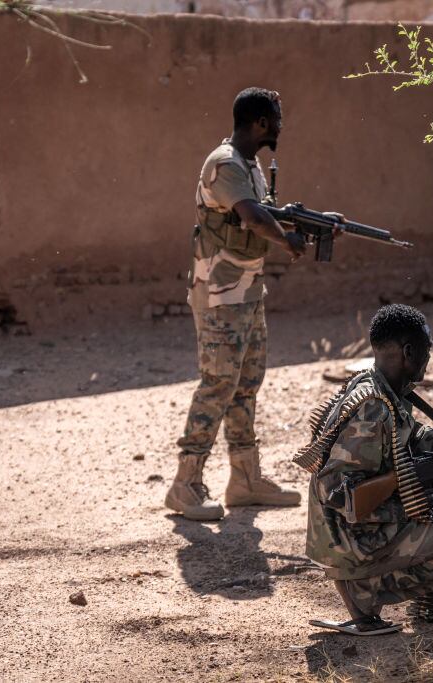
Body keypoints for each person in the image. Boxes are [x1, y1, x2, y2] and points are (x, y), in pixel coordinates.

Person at [303, 304, 433, 635]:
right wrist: (403, 484)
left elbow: (414, 442)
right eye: (427, 350)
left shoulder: (383, 391)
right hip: (353, 543)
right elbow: (336, 492)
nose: (428, 359)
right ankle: (364, 592)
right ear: (409, 352)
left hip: (355, 535)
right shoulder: (372, 409)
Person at [165, 87, 308, 522]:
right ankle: (184, 485)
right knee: (218, 385)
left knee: (246, 384)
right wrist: (287, 240)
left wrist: (315, 223)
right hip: (220, 294)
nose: (281, 126)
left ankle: (244, 480)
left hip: (246, 292)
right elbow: (252, 217)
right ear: (261, 123)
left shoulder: (250, 165)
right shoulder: (224, 164)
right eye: (277, 118)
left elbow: (264, 212)